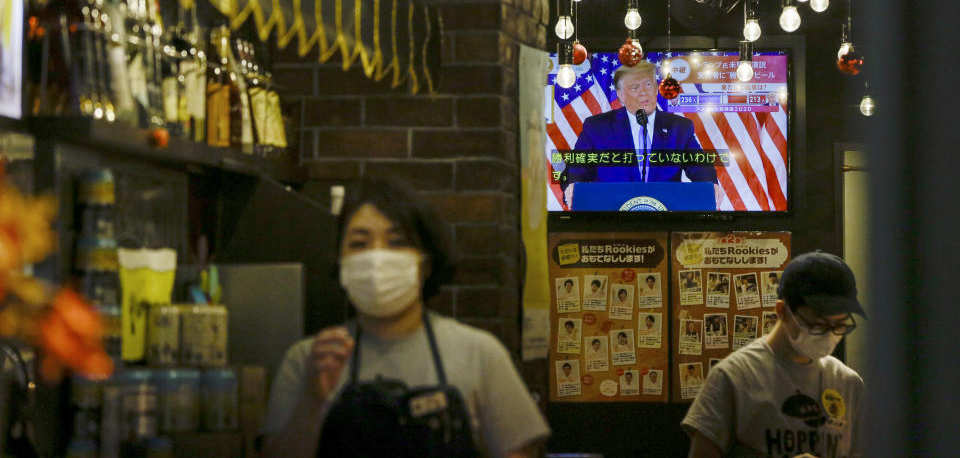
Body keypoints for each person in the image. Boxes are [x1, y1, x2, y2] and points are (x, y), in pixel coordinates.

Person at [262, 178, 550, 458]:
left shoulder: (479, 354)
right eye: (359, 244)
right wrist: (311, 402)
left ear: (425, 263)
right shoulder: (307, 360)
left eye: (397, 242)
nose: (377, 258)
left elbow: (518, 451)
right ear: (341, 263)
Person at [683, 251, 866, 458]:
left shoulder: (848, 383)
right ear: (782, 311)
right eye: (818, 324)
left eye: (839, 325)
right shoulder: (732, 378)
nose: (829, 335)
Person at [563, 61, 720, 207]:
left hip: (664, 219)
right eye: (635, 88)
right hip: (611, 220)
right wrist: (572, 187)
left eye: (648, 85)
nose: (644, 93)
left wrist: (711, 185)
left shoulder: (679, 127)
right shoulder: (597, 127)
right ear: (621, 95)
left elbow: (701, 167)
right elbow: (575, 170)